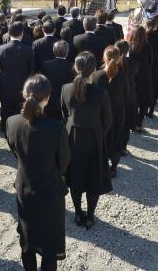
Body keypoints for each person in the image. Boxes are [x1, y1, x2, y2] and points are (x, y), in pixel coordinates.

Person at [7, 74, 70, 271]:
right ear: (48, 98)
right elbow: (64, 162)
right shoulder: (56, 128)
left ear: (25, 95)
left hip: (24, 187)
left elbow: (14, 150)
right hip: (50, 190)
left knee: (27, 239)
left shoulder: (11, 122)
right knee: (49, 246)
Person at [61, 52, 112, 229]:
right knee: (93, 178)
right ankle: (90, 216)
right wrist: (99, 133)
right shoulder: (100, 92)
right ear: (94, 70)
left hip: (73, 137)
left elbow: (64, 114)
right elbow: (108, 120)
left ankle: (77, 213)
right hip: (94, 138)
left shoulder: (66, 89)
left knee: (75, 177)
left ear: (76, 67)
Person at [93, 46, 128, 177]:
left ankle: (100, 167)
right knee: (116, 141)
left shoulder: (97, 75)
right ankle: (113, 168)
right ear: (119, 58)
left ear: (104, 58)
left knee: (101, 140)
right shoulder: (123, 75)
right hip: (117, 112)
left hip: (100, 114)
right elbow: (127, 95)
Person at [0, 22, 33, 128]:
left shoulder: (0, 49)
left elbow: (0, 68)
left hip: (6, 84)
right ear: (21, 34)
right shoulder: (28, 50)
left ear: (9, 33)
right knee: (21, 110)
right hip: (23, 86)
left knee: (6, 109)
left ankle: (5, 127)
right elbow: (31, 70)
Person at [115, 40, 139, 154]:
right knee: (126, 125)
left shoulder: (112, 64)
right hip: (130, 96)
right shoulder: (134, 62)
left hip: (116, 96)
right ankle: (123, 148)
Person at [129, 26, 153, 132]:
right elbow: (151, 62)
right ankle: (139, 123)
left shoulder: (130, 46)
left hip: (133, 76)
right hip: (144, 75)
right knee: (144, 102)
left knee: (133, 101)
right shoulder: (148, 46)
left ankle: (132, 123)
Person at [42, 41, 73, 120]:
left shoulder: (46, 65)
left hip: (49, 101)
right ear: (67, 52)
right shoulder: (72, 67)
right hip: (65, 101)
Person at [146, 17, 158, 117]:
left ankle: (144, 109)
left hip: (146, 64)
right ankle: (151, 111)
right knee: (155, 86)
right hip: (156, 63)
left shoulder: (144, 36)